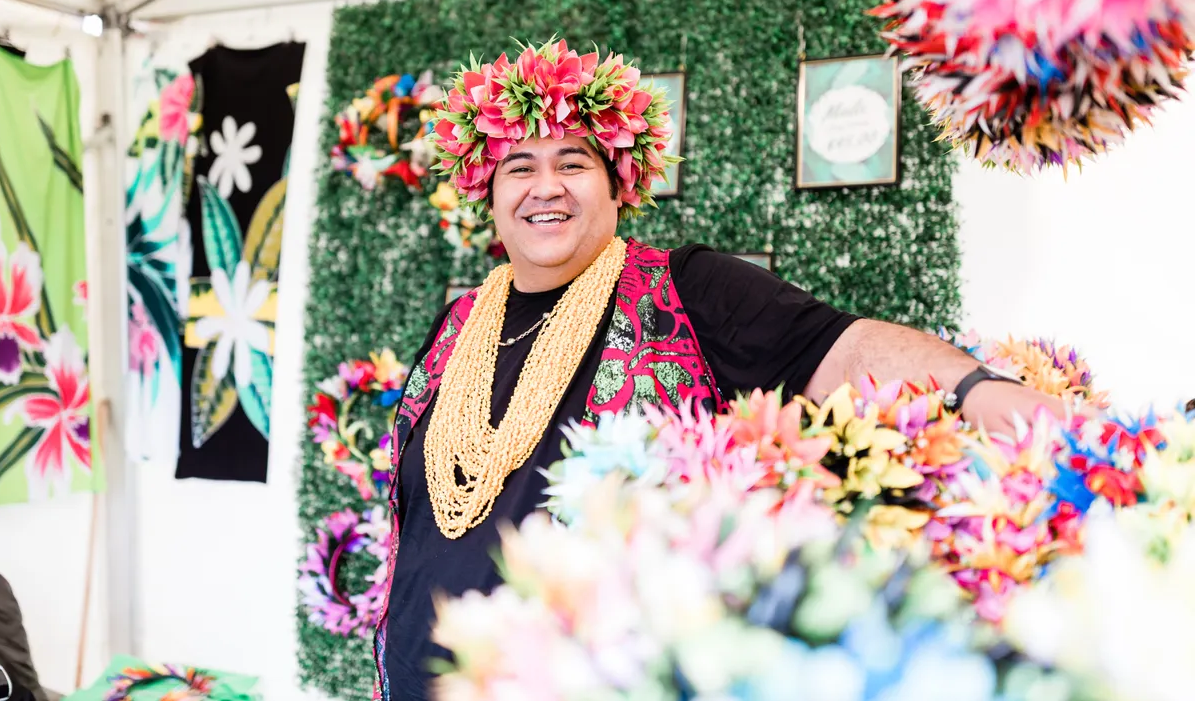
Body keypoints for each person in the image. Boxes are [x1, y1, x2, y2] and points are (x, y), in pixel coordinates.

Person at [369, 40, 1061, 701]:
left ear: (619, 183)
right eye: (519, 165)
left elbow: (841, 349)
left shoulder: (691, 289)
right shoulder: (459, 322)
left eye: (573, 162)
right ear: (488, 191)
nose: (544, 186)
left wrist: (974, 386)